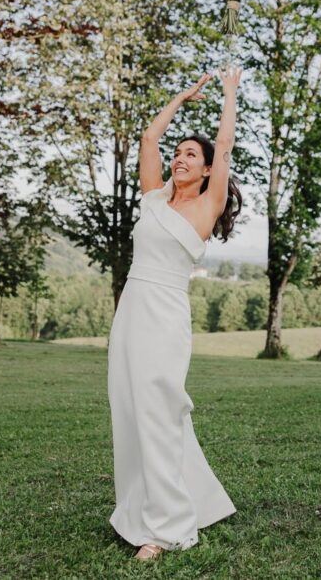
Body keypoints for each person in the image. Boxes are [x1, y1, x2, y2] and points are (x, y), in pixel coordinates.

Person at [108, 70, 242, 560]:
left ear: (207, 170)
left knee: (160, 410)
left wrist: (227, 94)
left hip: (165, 316)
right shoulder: (153, 198)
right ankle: (143, 507)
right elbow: (148, 136)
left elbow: (224, 145)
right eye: (179, 152)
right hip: (131, 313)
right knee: (129, 408)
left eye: (192, 155)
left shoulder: (207, 205)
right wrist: (182, 99)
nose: (181, 159)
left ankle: (164, 529)